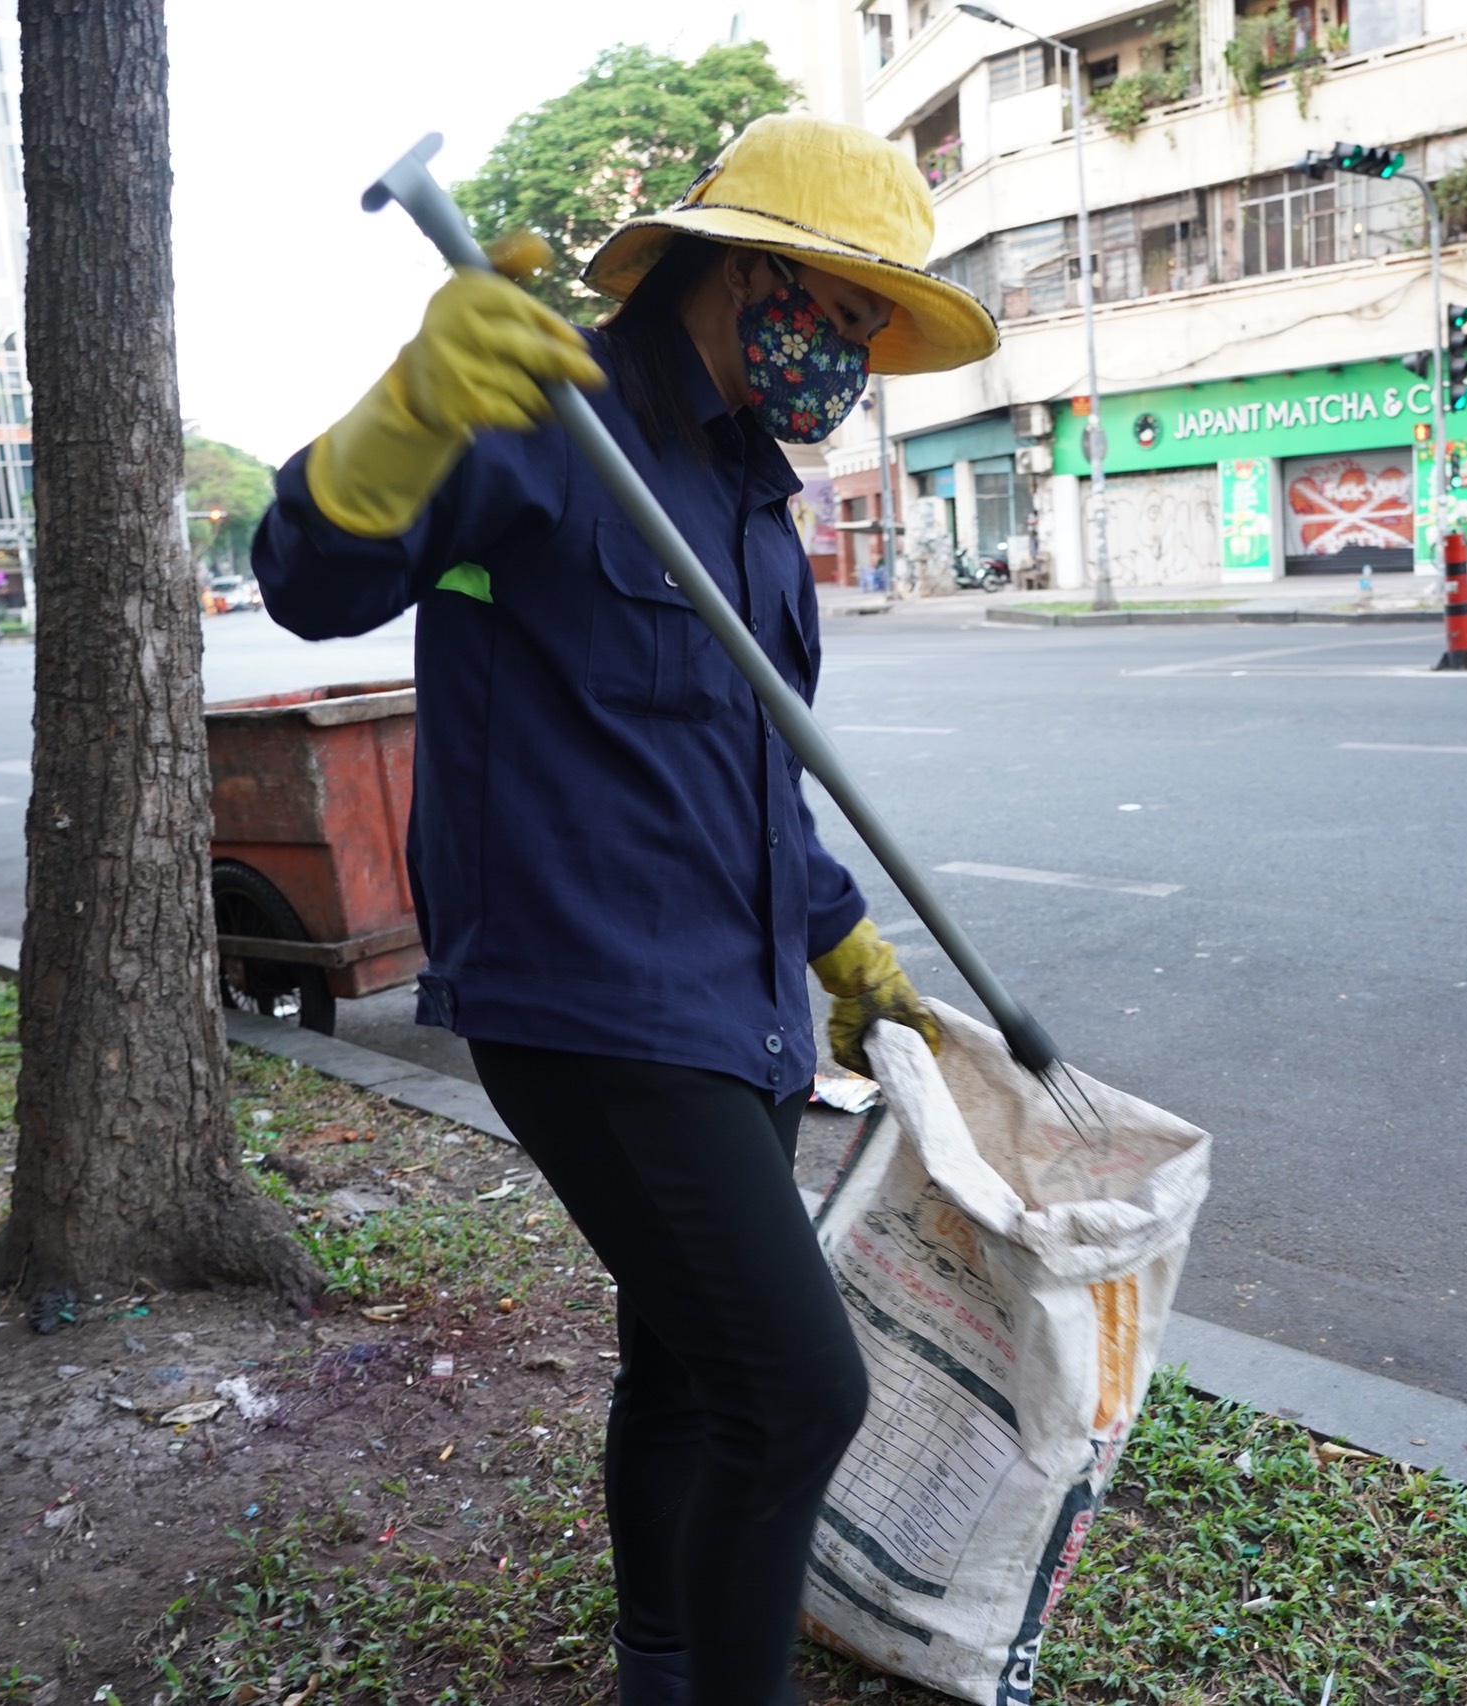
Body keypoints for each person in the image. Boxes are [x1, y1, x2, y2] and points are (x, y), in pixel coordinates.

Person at [252, 116, 998, 1706]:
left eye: (869, 325)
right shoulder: (545, 414)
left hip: (738, 1006)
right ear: (736, 274)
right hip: (589, 1000)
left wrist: (837, 937)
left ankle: (661, 1663)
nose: (847, 355)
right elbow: (311, 581)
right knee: (797, 1393)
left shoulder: (750, 496)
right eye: (837, 309)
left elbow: (751, 769)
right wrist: (408, 412)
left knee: (690, 1367)